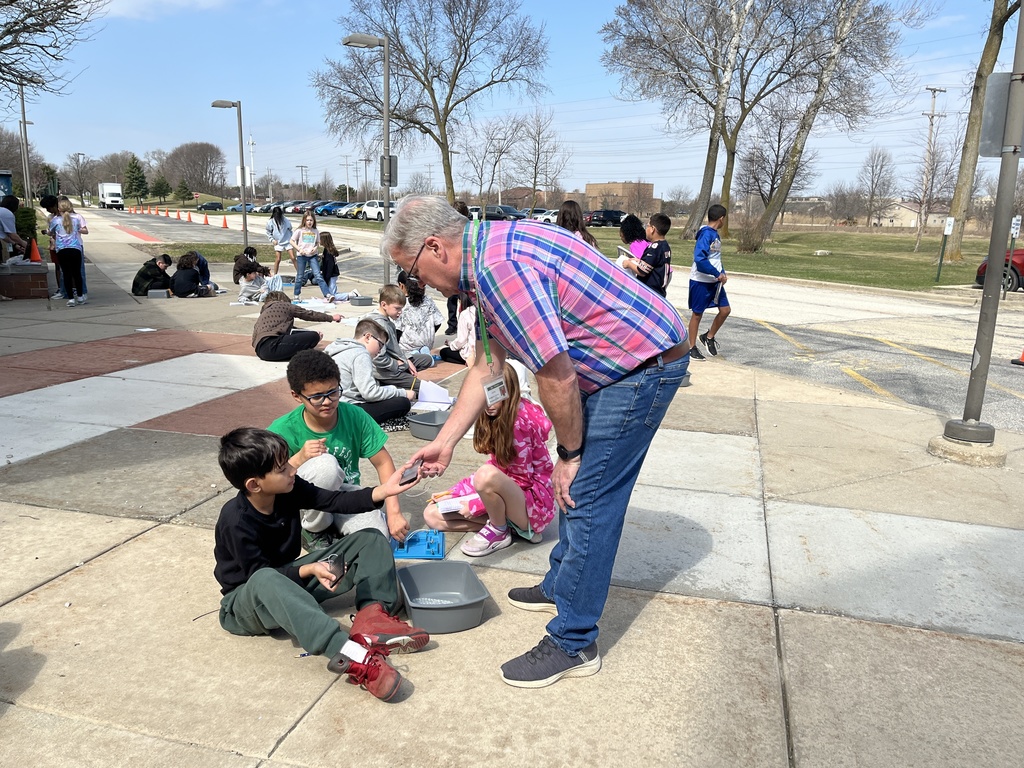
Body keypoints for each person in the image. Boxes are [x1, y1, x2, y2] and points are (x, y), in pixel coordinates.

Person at [382, 195, 688, 689]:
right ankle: (561, 581)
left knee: (586, 493)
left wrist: (569, 455)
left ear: (434, 247)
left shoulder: (500, 269)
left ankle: (574, 640)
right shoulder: (484, 262)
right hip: (618, 362)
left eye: (413, 272)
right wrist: (444, 442)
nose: (418, 284)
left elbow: (557, 377)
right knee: (576, 485)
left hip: (641, 367)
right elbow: (487, 367)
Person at [214, 426, 427, 701]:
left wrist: (385, 490)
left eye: (288, 462)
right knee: (266, 578)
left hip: (289, 582)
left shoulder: (287, 490)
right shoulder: (235, 521)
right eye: (282, 469)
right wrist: (308, 569)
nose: (292, 470)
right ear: (254, 484)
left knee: (371, 538)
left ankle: (372, 618)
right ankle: (352, 656)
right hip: (247, 604)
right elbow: (258, 577)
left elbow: (334, 500)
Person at [268, 349, 411, 546]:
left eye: (333, 392)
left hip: (344, 496)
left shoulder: (355, 416)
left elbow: (383, 462)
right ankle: (313, 530)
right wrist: (299, 458)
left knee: (377, 538)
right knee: (325, 466)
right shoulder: (282, 430)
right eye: (317, 397)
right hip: (304, 500)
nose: (327, 402)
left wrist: (394, 512)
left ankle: (334, 528)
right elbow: (268, 480)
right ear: (296, 395)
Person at [422, 364, 553, 557]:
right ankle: (509, 529)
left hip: (534, 506)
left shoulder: (517, 424)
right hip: (515, 501)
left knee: (485, 476)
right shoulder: (499, 416)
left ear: (508, 391)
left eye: (496, 394)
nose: (490, 403)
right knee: (431, 516)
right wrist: (455, 492)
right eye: (485, 396)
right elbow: (498, 468)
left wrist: (476, 505)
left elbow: (520, 480)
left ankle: (501, 531)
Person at [324, 319, 416, 426]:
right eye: (380, 345)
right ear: (368, 337)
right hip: (348, 409)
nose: (380, 351)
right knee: (403, 403)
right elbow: (370, 393)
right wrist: (403, 393)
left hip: (332, 405)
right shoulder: (361, 354)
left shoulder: (337, 348)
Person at [364, 284, 434, 388]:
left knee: (426, 359)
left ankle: (399, 378)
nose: (400, 312)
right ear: (384, 305)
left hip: (394, 361)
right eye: (397, 308)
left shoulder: (388, 321)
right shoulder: (378, 325)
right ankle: (386, 382)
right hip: (382, 370)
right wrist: (397, 364)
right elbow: (377, 358)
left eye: (401, 309)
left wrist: (406, 359)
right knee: (423, 389)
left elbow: (394, 348)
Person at [687, 204, 730, 361]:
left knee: (725, 310)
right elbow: (700, 260)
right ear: (721, 218)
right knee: (697, 314)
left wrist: (722, 273)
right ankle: (691, 347)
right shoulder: (706, 234)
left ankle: (708, 336)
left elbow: (715, 257)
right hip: (701, 281)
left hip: (715, 281)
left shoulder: (715, 234)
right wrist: (716, 274)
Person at [252, 291, 342, 362]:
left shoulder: (265, 314)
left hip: (260, 351)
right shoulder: (283, 305)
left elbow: (291, 330)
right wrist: (331, 318)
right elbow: (308, 314)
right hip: (272, 346)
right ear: (283, 300)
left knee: (307, 335)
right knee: (313, 336)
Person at [47, 197, 89, 307]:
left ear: (59, 209)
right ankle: (80, 296)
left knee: (66, 274)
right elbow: (82, 229)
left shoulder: (55, 220)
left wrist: (50, 233)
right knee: (77, 273)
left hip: (62, 249)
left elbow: (50, 232)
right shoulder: (75, 220)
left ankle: (70, 298)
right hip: (75, 248)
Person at [623, 213, 673, 298]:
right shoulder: (665, 246)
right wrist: (638, 261)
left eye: (648, 226)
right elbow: (653, 264)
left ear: (652, 229)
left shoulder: (654, 248)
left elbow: (642, 271)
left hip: (650, 292)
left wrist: (628, 264)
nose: (646, 228)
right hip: (660, 289)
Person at [395, 269, 443, 356]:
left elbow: (397, 330)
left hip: (406, 346)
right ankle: (422, 351)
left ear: (401, 286)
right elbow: (438, 322)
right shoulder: (428, 300)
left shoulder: (400, 304)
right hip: (426, 344)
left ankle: (413, 354)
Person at [290, 211, 331, 300]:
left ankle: (327, 294)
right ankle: (296, 295)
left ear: (314, 221)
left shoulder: (315, 231)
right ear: (304, 220)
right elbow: (291, 241)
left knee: (318, 275)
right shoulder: (299, 230)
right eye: (308, 220)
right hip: (301, 256)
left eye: (311, 220)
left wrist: (315, 248)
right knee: (300, 276)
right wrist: (299, 249)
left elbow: (318, 243)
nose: (309, 222)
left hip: (312, 256)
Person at [444, 201, 471, 333]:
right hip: (454, 269)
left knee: (466, 300)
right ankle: (453, 324)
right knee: (452, 300)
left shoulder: (469, 229)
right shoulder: (448, 230)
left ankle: (465, 326)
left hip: (465, 270)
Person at [437, 292, 476, 366]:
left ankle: (469, 361)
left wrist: (451, 344)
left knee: (443, 352)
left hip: (471, 352)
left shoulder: (465, 314)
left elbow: (461, 341)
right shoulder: (482, 311)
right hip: (484, 351)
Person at [319, 232, 360, 301]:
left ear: (324, 240)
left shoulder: (328, 252)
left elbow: (330, 266)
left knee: (332, 295)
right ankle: (348, 295)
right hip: (330, 275)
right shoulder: (326, 250)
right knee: (330, 293)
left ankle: (352, 294)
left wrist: (327, 277)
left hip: (331, 275)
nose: (318, 241)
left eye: (319, 239)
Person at [266, 207, 296, 275]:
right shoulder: (270, 222)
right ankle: (275, 275)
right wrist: (272, 240)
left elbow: (290, 228)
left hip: (287, 240)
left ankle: (300, 274)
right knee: (278, 259)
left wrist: (292, 239)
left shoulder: (285, 220)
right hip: (278, 242)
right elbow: (268, 232)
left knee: (293, 257)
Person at [0, 195, 27, 264]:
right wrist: (23, 243)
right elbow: (12, 235)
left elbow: (3, 236)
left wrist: (15, 245)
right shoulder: (7, 213)